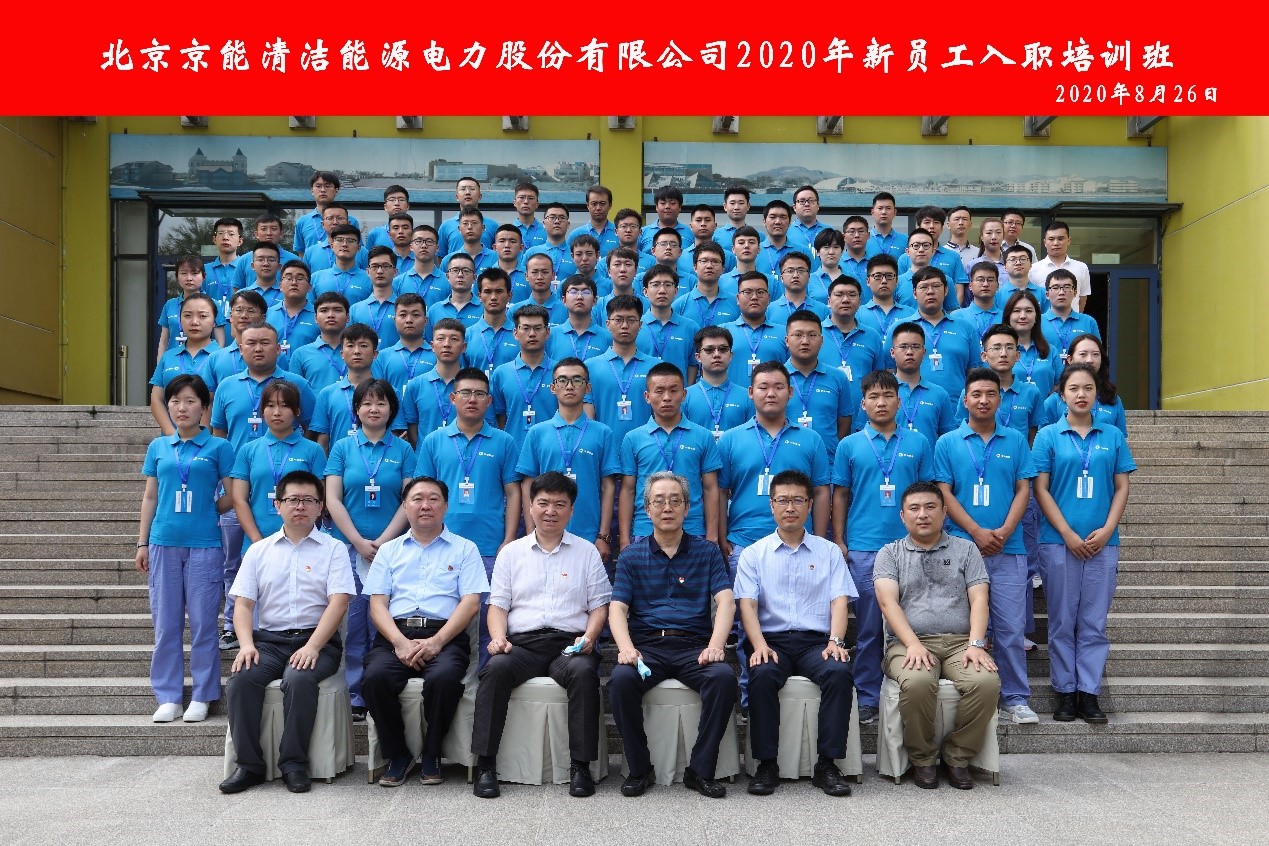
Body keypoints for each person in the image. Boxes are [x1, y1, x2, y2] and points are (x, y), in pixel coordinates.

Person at [471, 472, 612, 799]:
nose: (551, 511)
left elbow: (599, 607)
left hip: (569, 645)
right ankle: (486, 765)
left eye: (560, 504)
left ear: (571, 510)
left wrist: (590, 637)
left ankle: (580, 767)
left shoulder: (587, 552)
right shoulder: (511, 553)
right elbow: (497, 607)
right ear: (531, 507)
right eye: (543, 503)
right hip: (523, 645)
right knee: (495, 670)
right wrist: (498, 638)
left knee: (584, 672)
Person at [218, 470, 354, 794]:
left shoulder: (333, 549)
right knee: (241, 679)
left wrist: (313, 646)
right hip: (269, 642)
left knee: (299, 678)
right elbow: (243, 606)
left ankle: (294, 764)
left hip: (317, 642)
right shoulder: (259, 551)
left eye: (309, 500)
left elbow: (339, 603)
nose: (300, 506)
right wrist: (246, 645)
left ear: (320, 507)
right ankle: (249, 765)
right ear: (277, 505)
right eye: (293, 499)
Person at [607, 472, 737, 799]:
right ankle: (640, 769)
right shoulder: (631, 555)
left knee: (723, 678)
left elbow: (726, 601)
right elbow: (617, 608)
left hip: (694, 647)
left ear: (687, 508)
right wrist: (626, 648)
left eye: (675, 501)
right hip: (647, 647)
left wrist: (716, 645)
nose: (667, 508)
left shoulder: (707, 553)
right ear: (647, 509)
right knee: (620, 680)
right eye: (659, 501)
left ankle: (700, 770)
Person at [362, 476, 489, 786]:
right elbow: (377, 605)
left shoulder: (465, 549)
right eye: (417, 499)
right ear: (405, 506)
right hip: (395, 635)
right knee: (374, 678)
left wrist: (436, 642)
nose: (425, 505)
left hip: (445, 635)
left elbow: (471, 603)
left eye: (433, 499)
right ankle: (398, 754)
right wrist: (399, 642)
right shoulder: (389, 551)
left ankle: (433, 752)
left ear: (445, 506)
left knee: (444, 678)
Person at [737, 469, 857, 797]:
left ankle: (827, 764)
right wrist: (758, 645)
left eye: (798, 500)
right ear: (771, 505)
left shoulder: (828, 552)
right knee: (761, 673)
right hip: (772, 641)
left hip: (815, 643)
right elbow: (747, 605)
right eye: (783, 500)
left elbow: (839, 601)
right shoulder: (753, 554)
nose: (790, 507)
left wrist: (835, 641)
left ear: (809, 505)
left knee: (838, 671)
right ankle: (766, 764)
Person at [873, 481, 1000, 790]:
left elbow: (979, 599)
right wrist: (913, 644)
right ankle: (923, 759)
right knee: (917, 682)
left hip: (960, 643)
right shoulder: (890, 553)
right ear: (902, 515)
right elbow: (888, 603)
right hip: (907, 644)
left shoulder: (966, 549)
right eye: (914, 508)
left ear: (944, 512)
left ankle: (958, 757)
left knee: (986, 682)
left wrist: (976, 644)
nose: (923, 514)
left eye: (930, 507)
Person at [934, 368, 1039, 725]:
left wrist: (1005, 531)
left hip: (1009, 549)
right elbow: (944, 492)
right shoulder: (948, 442)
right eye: (976, 394)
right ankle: (970, 692)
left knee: (1010, 627)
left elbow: (1024, 489)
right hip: (961, 549)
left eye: (990, 394)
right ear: (965, 400)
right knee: (962, 628)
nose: (983, 400)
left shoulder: (1016, 441)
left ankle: (1015, 698)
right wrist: (976, 531)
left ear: (1000, 399)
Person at [1032, 363, 1135, 723]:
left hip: (1103, 543)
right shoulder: (1048, 436)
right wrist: (1067, 534)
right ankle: (1065, 691)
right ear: (1061, 394)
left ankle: (1089, 693)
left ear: (1096, 394)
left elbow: (1121, 486)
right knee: (1062, 620)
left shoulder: (1112, 435)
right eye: (1073, 388)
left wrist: (1107, 530)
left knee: (1094, 621)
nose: (1081, 394)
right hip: (1058, 542)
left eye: (1088, 388)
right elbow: (1041, 489)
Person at [832, 369, 934, 724]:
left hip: (910, 546)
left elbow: (927, 495)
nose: (881, 402)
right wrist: (840, 539)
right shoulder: (849, 445)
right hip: (864, 546)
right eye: (873, 397)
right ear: (862, 404)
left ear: (899, 401)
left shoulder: (918, 443)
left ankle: (911, 689)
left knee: (914, 621)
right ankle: (868, 695)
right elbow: (840, 495)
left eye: (888, 395)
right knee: (869, 627)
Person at [135, 374, 234, 724]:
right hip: (163, 542)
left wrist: (210, 510)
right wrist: (142, 541)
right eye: (175, 401)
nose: (182, 407)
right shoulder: (159, 447)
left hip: (205, 545)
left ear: (204, 408)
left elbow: (234, 494)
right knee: (166, 623)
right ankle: (168, 696)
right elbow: (150, 496)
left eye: (191, 401)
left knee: (205, 623)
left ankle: (203, 695)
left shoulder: (219, 447)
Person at [414, 368, 521, 661]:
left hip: (489, 545)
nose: (472, 399)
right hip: (442, 545)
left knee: (489, 621)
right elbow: (422, 492)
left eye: (479, 394)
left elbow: (513, 493)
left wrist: (509, 538)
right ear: (453, 398)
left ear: (489, 401)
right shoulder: (434, 440)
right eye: (465, 393)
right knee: (446, 617)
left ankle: (487, 680)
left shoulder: (504, 441)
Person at [324, 379, 415, 718]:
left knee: (386, 620)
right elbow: (332, 499)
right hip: (349, 548)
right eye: (366, 403)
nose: (374, 409)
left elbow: (409, 500)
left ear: (392, 409)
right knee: (353, 621)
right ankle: (355, 695)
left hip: (393, 549)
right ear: (356, 410)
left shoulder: (404, 450)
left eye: (381, 403)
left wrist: (384, 542)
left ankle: (383, 689)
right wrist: (358, 542)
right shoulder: (342, 448)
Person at [717, 362, 831, 568]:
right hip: (743, 543)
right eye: (763, 387)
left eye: (779, 387)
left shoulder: (811, 439)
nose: (771, 394)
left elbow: (821, 491)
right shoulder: (730, 440)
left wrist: (819, 541)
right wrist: (721, 536)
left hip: (799, 544)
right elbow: (720, 492)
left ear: (790, 392)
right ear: (750, 392)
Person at [515, 358, 620, 558]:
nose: (570, 386)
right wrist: (530, 531)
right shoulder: (537, 432)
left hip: (589, 535)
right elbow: (528, 484)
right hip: (544, 534)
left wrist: (603, 535)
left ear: (587, 388)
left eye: (577, 380)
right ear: (553, 387)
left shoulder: (603, 432)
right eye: (562, 380)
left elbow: (608, 487)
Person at [619, 363, 722, 549]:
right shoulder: (633, 438)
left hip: (692, 528)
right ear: (647, 396)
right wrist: (624, 538)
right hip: (645, 529)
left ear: (684, 394)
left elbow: (710, 488)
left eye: (673, 391)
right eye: (659, 391)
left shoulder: (703, 436)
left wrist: (712, 534)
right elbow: (628, 490)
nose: (667, 397)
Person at [229, 380, 327, 560]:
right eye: (270, 405)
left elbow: (320, 498)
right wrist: (257, 541)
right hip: (256, 544)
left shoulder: (313, 450)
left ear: (297, 411)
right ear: (262, 410)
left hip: (303, 545)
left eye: (284, 406)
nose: (276, 412)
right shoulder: (248, 450)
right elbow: (239, 499)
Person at [783, 309, 857, 463]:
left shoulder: (838, 378)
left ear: (822, 340)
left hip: (828, 463)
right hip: (786, 462)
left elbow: (844, 422)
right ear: (787, 340)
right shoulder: (776, 378)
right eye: (798, 335)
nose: (805, 341)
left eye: (812, 335)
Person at [583, 295, 658, 445]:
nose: (624, 326)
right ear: (607, 324)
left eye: (631, 320)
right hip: (604, 448)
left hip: (647, 447)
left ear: (640, 324)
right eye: (618, 320)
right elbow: (588, 418)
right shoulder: (590, 367)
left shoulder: (656, 367)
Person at [148, 292, 220, 434]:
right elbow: (156, 399)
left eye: (203, 316)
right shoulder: (168, 357)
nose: (194, 322)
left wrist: (202, 439)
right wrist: (172, 435)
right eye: (187, 315)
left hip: (210, 441)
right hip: (171, 441)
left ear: (214, 321)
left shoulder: (223, 357)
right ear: (180, 320)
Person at [490, 304, 556, 444]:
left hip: (551, 450)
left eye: (538, 328)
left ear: (547, 332)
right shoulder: (501, 373)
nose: (532, 334)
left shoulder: (560, 372)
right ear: (515, 333)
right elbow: (499, 417)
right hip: (513, 450)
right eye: (525, 328)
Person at [309, 324, 380, 452]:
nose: (357, 351)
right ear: (342, 353)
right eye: (350, 345)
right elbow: (323, 442)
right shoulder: (327, 394)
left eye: (363, 346)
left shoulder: (388, 393)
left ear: (375, 354)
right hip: (338, 463)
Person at [1041, 334, 1129, 435]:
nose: (1090, 360)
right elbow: (1045, 438)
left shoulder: (1112, 399)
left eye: (1095, 354)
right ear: (1069, 359)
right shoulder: (1054, 401)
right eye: (1083, 354)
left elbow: (1120, 439)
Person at [888, 322, 957, 447]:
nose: (909, 352)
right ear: (892, 352)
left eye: (915, 346)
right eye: (903, 346)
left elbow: (948, 441)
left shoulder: (939, 394)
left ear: (924, 352)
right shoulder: (881, 392)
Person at [399, 318, 467, 441]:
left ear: (463, 347)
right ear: (432, 346)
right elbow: (411, 428)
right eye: (441, 339)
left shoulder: (473, 387)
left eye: (454, 339)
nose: (447, 344)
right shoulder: (415, 385)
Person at [683, 326, 754, 438]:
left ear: (731, 355)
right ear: (698, 357)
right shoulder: (684, 397)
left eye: (723, 349)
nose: (716, 354)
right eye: (709, 350)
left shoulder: (747, 397)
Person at [723, 272, 787, 386]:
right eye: (747, 292)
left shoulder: (784, 333)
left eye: (760, 292)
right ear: (738, 298)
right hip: (731, 396)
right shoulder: (723, 332)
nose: (754, 297)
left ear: (769, 298)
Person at [156, 255, 225, 359]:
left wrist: (216, 363)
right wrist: (160, 365)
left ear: (204, 276)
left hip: (203, 362)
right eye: (184, 273)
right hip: (174, 362)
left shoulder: (213, 304)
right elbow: (163, 341)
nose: (189, 278)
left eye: (194, 273)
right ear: (177, 276)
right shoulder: (169, 305)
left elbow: (220, 342)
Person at [639, 264, 700, 380]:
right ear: (645, 292)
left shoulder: (691, 327)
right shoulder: (636, 326)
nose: (662, 290)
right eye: (655, 285)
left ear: (676, 291)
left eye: (668, 285)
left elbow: (693, 364)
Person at [820, 276, 884, 385]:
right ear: (829, 301)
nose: (845, 300)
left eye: (852, 295)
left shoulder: (872, 336)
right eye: (839, 295)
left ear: (860, 301)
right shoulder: (815, 333)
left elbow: (879, 377)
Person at [376, 293, 436, 401]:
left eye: (415, 315)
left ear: (425, 321)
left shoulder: (437, 355)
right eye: (403, 315)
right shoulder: (381, 357)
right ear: (395, 321)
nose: (409, 320)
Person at [1040, 269, 1101, 371]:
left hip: (1080, 378)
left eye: (1067, 287)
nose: (1061, 292)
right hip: (1048, 379)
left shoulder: (1088, 322)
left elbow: (1097, 355)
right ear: (1047, 294)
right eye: (1055, 287)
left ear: (1075, 293)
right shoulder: (1037, 322)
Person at [672, 241, 741, 328]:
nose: (709, 266)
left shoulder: (736, 304)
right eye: (704, 261)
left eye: (715, 261)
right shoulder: (680, 305)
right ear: (695, 267)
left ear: (723, 268)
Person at [464, 268, 521, 375]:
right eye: (488, 292)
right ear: (479, 296)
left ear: (509, 296)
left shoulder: (520, 335)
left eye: (499, 291)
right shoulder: (467, 335)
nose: (493, 297)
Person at [858, 255, 917, 357]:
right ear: (868, 281)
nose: (884, 281)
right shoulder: (858, 314)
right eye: (878, 276)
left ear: (897, 280)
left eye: (889, 276)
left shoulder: (911, 314)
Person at [265, 260, 319, 369]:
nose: (294, 282)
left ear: (309, 287)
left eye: (300, 278)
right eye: (288, 278)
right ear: (280, 285)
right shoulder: (267, 314)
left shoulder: (319, 316)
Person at [1003, 289, 1056, 399]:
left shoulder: (1051, 351)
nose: (1023, 316)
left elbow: (1060, 386)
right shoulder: (1000, 351)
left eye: (1028, 311)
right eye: (1017, 311)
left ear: (1036, 317)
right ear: (1008, 316)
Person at [548, 275, 612, 364]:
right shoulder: (550, 335)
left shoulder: (608, 337)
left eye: (586, 292)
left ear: (595, 300)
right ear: (564, 300)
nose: (579, 297)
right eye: (573, 291)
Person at [1030, 221, 1091, 312]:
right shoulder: (1033, 269)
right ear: (1045, 242)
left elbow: (1082, 299)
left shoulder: (1081, 268)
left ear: (1069, 241)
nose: (1056, 243)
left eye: (1060, 239)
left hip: (1073, 320)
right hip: (1043, 320)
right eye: (1051, 239)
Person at [294, 171, 360, 255]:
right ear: (312, 191)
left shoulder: (351, 221)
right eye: (318, 186)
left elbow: (357, 250)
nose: (323, 190)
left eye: (327, 186)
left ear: (336, 191)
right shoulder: (302, 222)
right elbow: (301, 253)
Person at [349, 248, 401, 349]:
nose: (380, 271)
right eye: (374, 266)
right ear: (368, 272)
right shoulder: (355, 309)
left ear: (395, 272)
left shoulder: (403, 309)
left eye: (385, 266)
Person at [427, 252, 484, 331]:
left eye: (466, 271)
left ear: (474, 278)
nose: (460, 275)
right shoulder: (435, 310)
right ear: (447, 276)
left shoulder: (484, 309)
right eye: (455, 270)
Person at [394, 225, 448, 307]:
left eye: (429, 241)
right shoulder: (398, 282)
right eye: (418, 241)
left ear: (437, 248)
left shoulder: (448, 281)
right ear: (411, 247)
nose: (424, 246)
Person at [768, 253, 830, 324]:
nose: (795, 275)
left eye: (801, 271)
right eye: (790, 271)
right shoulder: (769, 310)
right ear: (781, 278)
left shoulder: (823, 310)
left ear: (809, 277)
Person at [995, 245, 1048, 313]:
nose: (1018, 263)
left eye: (1023, 259)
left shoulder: (1043, 294)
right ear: (1005, 266)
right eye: (1012, 259)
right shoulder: (997, 295)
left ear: (1031, 264)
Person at [639, 186, 692, 253]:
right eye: (663, 203)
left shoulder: (690, 233)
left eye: (672, 203)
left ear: (680, 207)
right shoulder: (642, 232)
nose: (667, 207)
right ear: (656, 207)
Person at [365, 185, 411, 250]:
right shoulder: (375, 234)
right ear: (385, 207)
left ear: (407, 206)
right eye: (392, 200)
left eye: (401, 200)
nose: (397, 203)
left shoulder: (416, 235)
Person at [790, 185, 831, 251]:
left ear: (818, 206)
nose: (807, 204)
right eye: (802, 201)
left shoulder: (829, 231)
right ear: (794, 207)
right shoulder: (786, 231)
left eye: (811, 200)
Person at [867, 192, 904, 259]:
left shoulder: (905, 240)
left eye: (888, 208)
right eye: (880, 208)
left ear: (895, 213)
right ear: (872, 212)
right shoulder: (864, 239)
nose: (884, 212)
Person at [511, 180, 547, 250]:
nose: (526, 202)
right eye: (521, 197)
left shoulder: (546, 231)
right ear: (514, 203)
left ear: (537, 204)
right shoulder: (507, 231)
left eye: (531, 198)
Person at [715, 185, 750, 250]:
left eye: (741, 203)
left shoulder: (758, 236)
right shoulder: (715, 235)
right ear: (725, 207)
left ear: (748, 206)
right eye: (732, 203)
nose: (736, 207)